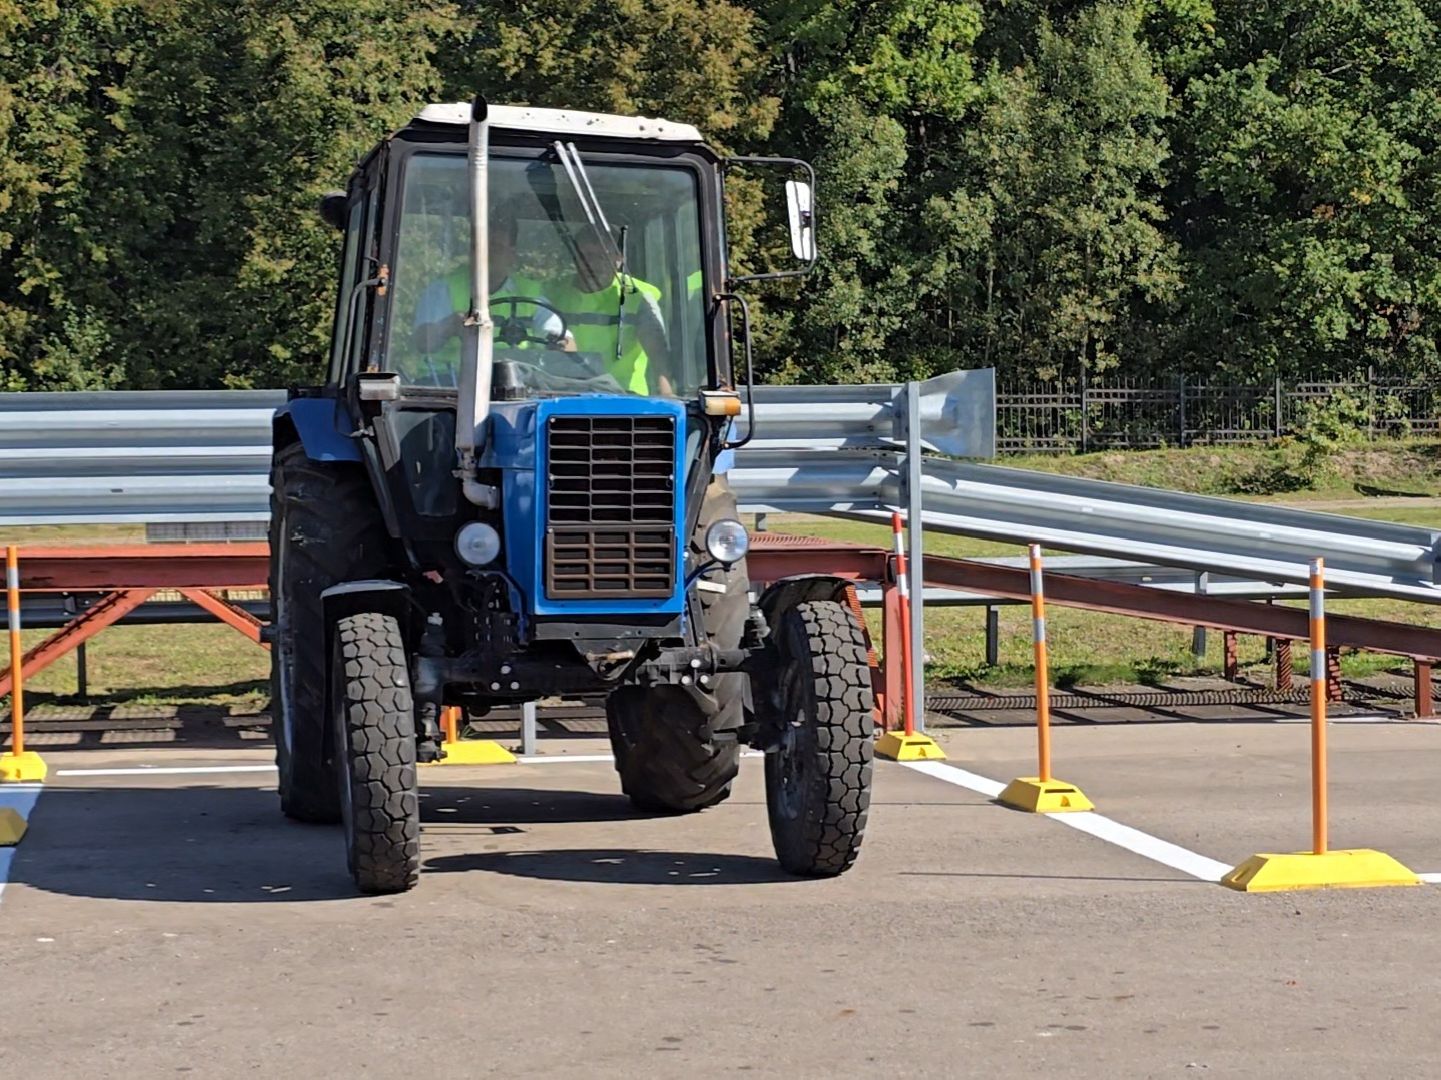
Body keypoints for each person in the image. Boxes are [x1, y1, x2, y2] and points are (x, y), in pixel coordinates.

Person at [410, 209, 562, 385]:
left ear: (511, 255)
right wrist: (450, 325)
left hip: (515, 384)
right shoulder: (443, 289)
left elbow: (560, 336)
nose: (485, 255)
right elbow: (422, 342)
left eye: (495, 247)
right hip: (446, 386)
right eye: (479, 247)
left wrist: (559, 343)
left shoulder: (531, 294)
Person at [542, 226, 670, 396]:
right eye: (586, 256)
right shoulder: (553, 293)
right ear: (575, 259)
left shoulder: (639, 297)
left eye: (602, 257)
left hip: (626, 400)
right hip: (562, 394)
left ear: (619, 259)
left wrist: (668, 396)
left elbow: (659, 355)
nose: (592, 264)